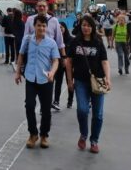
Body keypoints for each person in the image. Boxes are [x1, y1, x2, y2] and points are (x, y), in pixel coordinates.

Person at [65, 15, 111, 154]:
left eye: (89, 25)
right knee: (82, 110)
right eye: (84, 25)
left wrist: (108, 78)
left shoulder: (98, 42)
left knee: (98, 114)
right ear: (80, 26)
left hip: (98, 81)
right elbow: (69, 62)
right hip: (81, 81)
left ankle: (94, 140)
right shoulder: (75, 42)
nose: (86, 28)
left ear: (93, 27)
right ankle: (84, 134)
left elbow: (104, 61)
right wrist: (69, 80)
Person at [15, 15, 60, 149]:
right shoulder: (27, 39)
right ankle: (33, 133)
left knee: (46, 110)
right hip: (30, 77)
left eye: (43, 26)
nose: (41, 28)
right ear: (34, 26)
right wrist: (18, 72)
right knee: (29, 105)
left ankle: (44, 135)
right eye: (39, 25)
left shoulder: (51, 43)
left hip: (46, 79)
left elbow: (56, 60)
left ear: (46, 27)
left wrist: (52, 72)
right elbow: (21, 55)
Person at [23, 0, 65, 109]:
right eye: (40, 6)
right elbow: (25, 38)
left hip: (49, 57)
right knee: (32, 82)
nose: (42, 8)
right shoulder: (30, 20)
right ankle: (30, 100)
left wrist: (63, 58)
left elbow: (59, 41)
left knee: (48, 81)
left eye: (44, 6)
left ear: (47, 8)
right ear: (36, 7)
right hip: (33, 56)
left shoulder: (54, 21)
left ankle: (45, 106)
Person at [53, 21, 74, 110]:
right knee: (58, 82)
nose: (60, 29)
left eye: (62, 27)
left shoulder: (71, 40)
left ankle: (70, 100)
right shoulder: (54, 40)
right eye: (59, 27)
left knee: (70, 81)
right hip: (59, 63)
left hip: (69, 64)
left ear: (65, 28)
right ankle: (56, 101)